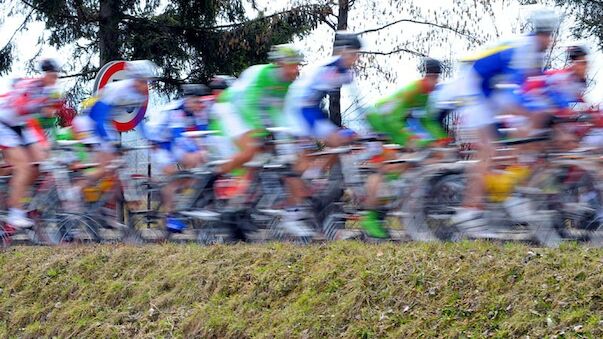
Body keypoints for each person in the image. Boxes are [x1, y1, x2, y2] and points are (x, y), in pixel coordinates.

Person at [450, 7, 560, 233]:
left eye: (551, 35)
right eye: (547, 35)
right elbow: (513, 94)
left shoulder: (534, 53)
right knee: (488, 149)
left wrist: (548, 111)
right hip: (474, 83)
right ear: (541, 35)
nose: (549, 40)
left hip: (492, 88)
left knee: (527, 134)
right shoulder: (524, 49)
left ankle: (511, 193)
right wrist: (531, 112)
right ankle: (468, 211)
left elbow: (534, 90)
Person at [279, 31, 363, 236]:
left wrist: (364, 128)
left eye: (358, 54)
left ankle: (313, 177)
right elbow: (308, 104)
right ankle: (293, 209)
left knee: (341, 141)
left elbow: (359, 103)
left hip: (313, 108)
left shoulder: (346, 72)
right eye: (353, 54)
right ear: (343, 52)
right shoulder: (329, 69)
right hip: (299, 109)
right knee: (335, 141)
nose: (356, 58)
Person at [361, 58, 447, 239]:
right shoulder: (413, 90)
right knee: (385, 167)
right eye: (432, 77)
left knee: (409, 163)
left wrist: (442, 139)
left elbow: (426, 121)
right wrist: (411, 140)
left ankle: (392, 204)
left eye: (437, 77)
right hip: (379, 122)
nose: (435, 81)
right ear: (425, 76)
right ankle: (370, 218)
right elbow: (393, 120)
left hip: (393, 123)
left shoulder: (425, 94)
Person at [0, 58, 62, 227]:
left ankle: (24, 198)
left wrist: (46, 146)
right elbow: (19, 107)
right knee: (24, 167)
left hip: (20, 124)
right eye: (52, 76)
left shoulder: (49, 91)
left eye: (56, 77)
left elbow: (40, 122)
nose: (54, 79)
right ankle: (15, 213)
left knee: (39, 164)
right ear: (45, 75)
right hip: (3, 123)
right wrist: (40, 106)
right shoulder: (29, 86)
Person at [145, 84, 211, 232]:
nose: (200, 106)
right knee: (176, 176)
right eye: (197, 102)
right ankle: (170, 216)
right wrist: (197, 152)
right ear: (188, 100)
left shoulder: (199, 111)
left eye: (202, 102)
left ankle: (182, 203)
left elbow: (204, 136)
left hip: (172, 142)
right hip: (159, 143)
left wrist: (205, 151)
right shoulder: (176, 111)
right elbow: (178, 138)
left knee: (193, 175)